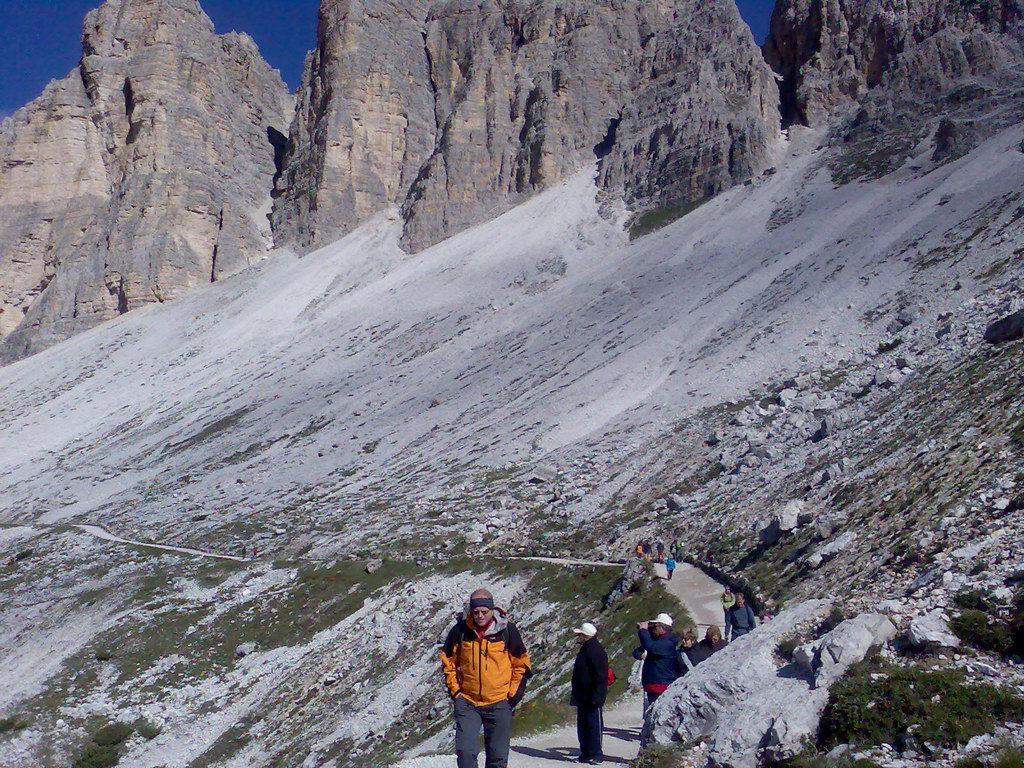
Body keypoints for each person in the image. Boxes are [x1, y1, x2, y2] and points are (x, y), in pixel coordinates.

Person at [441, 589, 532, 768]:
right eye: (476, 612)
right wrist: (456, 692)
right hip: (468, 702)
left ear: (492, 609)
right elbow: (448, 662)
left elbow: (521, 664)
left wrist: (512, 697)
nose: (480, 616)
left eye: (484, 612)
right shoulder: (460, 631)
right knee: (465, 753)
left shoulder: (507, 631)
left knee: (497, 758)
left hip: (499, 702)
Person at [633, 613, 681, 744]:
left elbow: (651, 647)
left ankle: (656, 741)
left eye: (655, 626)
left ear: (662, 627)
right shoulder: (661, 641)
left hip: (660, 684)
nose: (653, 629)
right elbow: (641, 649)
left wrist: (643, 631)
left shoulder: (667, 642)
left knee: (656, 715)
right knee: (651, 713)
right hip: (654, 683)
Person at [570, 622, 608, 765]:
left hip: (592, 695)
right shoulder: (587, 648)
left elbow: (601, 676)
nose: (578, 637)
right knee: (583, 725)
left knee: (593, 725)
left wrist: (598, 696)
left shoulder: (595, 650)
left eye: (580, 634)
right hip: (583, 695)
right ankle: (585, 752)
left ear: (585, 636)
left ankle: (596, 753)